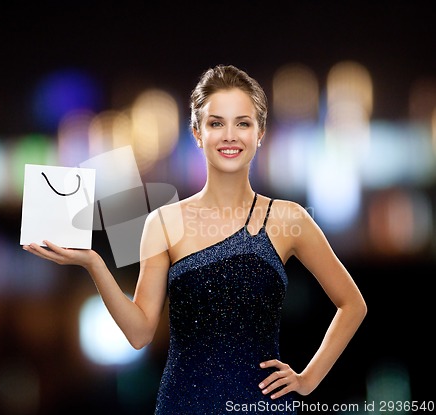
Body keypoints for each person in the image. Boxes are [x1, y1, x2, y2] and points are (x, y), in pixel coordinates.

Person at [23, 64, 367, 414]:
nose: (230, 135)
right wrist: (93, 263)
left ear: (260, 132)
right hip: (184, 403)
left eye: (243, 123)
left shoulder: (288, 218)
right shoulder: (163, 221)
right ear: (197, 132)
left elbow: (353, 305)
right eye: (216, 123)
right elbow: (140, 333)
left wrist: (307, 379)